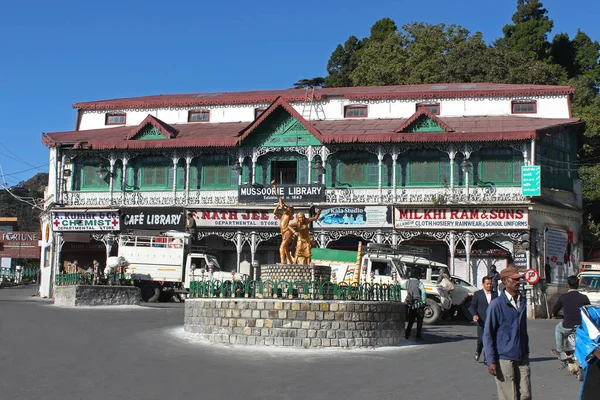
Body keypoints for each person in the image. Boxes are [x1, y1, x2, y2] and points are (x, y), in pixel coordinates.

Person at [483, 266, 531, 400]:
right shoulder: (496, 304)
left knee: (526, 394)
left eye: (519, 279)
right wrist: (491, 360)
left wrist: (526, 351)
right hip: (504, 357)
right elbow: (487, 334)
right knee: (510, 396)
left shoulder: (522, 301)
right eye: (514, 279)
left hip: (522, 355)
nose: (518, 282)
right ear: (505, 281)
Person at [551, 275, 590, 359]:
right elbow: (589, 311)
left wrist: (555, 315)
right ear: (578, 284)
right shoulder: (584, 298)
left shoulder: (563, 297)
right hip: (581, 327)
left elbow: (554, 310)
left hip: (567, 326)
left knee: (558, 328)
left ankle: (560, 351)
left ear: (568, 285)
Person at [469, 275, 497, 363]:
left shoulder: (495, 295)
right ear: (483, 284)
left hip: (492, 321)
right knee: (481, 339)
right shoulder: (478, 294)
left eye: (490, 284)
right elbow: (472, 307)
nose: (489, 286)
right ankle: (478, 351)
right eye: (487, 284)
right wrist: (474, 315)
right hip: (481, 321)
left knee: (489, 339)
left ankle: (487, 358)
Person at [404, 268, 426, 341]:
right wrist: (423, 302)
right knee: (419, 321)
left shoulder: (407, 282)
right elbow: (423, 293)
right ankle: (418, 336)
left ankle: (407, 335)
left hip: (411, 304)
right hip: (419, 304)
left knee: (411, 321)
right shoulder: (419, 283)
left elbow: (401, 286)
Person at [273, 199, 296, 264]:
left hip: (287, 232)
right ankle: (291, 262)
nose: (286, 209)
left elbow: (282, 207)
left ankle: (282, 262)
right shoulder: (283, 215)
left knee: (281, 248)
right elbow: (274, 212)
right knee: (285, 249)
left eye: (288, 208)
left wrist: (281, 202)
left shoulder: (288, 213)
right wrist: (278, 205)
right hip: (283, 232)